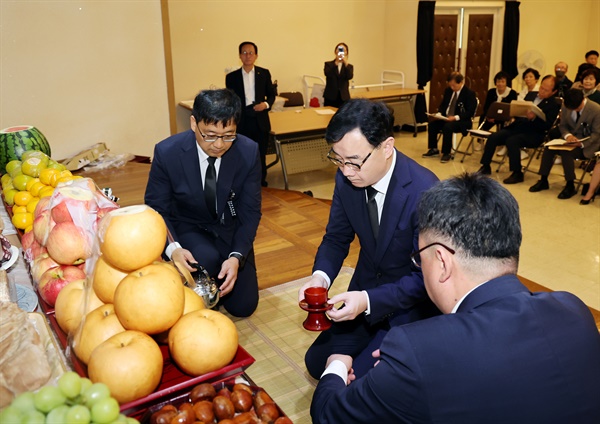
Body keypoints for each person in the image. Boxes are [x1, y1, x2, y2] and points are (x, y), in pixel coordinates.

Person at [310, 172, 600, 424]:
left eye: (418, 260)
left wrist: (337, 364)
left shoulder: (418, 351)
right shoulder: (573, 309)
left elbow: (328, 414)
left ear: (442, 261)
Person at [299, 98, 440, 380]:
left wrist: (367, 300)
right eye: (337, 159)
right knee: (316, 363)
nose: (346, 171)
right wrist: (320, 278)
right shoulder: (347, 179)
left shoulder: (426, 191)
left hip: (407, 308)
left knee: (362, 386)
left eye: (354, 161)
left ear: (387, 147)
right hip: (363, 295)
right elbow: (337, 237)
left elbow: (425, 277)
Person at [144, 89, 261, 318]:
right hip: (189, 228)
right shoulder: (167, 152)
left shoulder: (248, 151)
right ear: (193, 123)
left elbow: (250, 212)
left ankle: (222, 268)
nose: (219, 144)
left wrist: (237, 257)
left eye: (228, 135)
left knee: (244, 307)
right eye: (210, 135)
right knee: (204, 268)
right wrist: (173, 249)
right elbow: (156, 208)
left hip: (230, 229)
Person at [478, 75, 560, 184]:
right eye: (541, 87)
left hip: (534, 133)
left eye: (546, 90)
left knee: (512, 141)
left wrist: (534, 118)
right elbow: (520, 108)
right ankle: (486, 165)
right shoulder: (531, 95)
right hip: (518, 126)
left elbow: (547, 126)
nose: (542, 91)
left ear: (553, 92)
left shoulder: (554, 104)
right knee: (494, 137)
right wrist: (514, 113)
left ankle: (517, 173)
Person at [529, 88, 600, 199]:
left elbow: (597, 134)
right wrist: (568, 136)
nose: (574, 110)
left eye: (577, 108)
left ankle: (570, 184)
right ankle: (543, 179)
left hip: (587, 144)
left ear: (583, 100)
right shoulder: (566, 105)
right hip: (569, 140)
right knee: (549, 148)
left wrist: (581, 144)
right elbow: (562, 126)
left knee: (566, 152)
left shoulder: (596, 109)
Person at [226, 41, 276, 187]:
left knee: (260, 153)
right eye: (244, 53)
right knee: (241, 153)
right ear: (240, 56)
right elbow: (231, 99)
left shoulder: (264, 73)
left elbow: (272, 95)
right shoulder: (232, 77)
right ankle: (243, 182)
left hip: (260, 118)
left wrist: (265, 105)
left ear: (256, 56)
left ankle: (260, 182)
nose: (248, 56)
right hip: (242, 119)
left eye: (251, 53)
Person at [422, 72, 477, 163]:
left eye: (454, 85)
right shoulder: (448, 91)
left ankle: (446, 153)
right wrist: (439, 114)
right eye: (450, 85)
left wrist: (455, 117)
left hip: (462, 121)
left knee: (447, 127)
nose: (452, 88)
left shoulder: (469, 93)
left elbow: (469, 112)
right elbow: (444, 105)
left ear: (460, 83)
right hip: (447, 118)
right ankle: (433, 149)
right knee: (432, 125)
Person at [323, 43, 354, 108]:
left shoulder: (349, 66)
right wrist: (336, 62)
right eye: (340, 50)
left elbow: (350, 76)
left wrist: (345, 63)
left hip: (343, 97)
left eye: (344, 50)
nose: (341, 52)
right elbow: (327, 73)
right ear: (335, 52)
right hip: (330, 97)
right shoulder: (328, 64)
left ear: (346, 53)